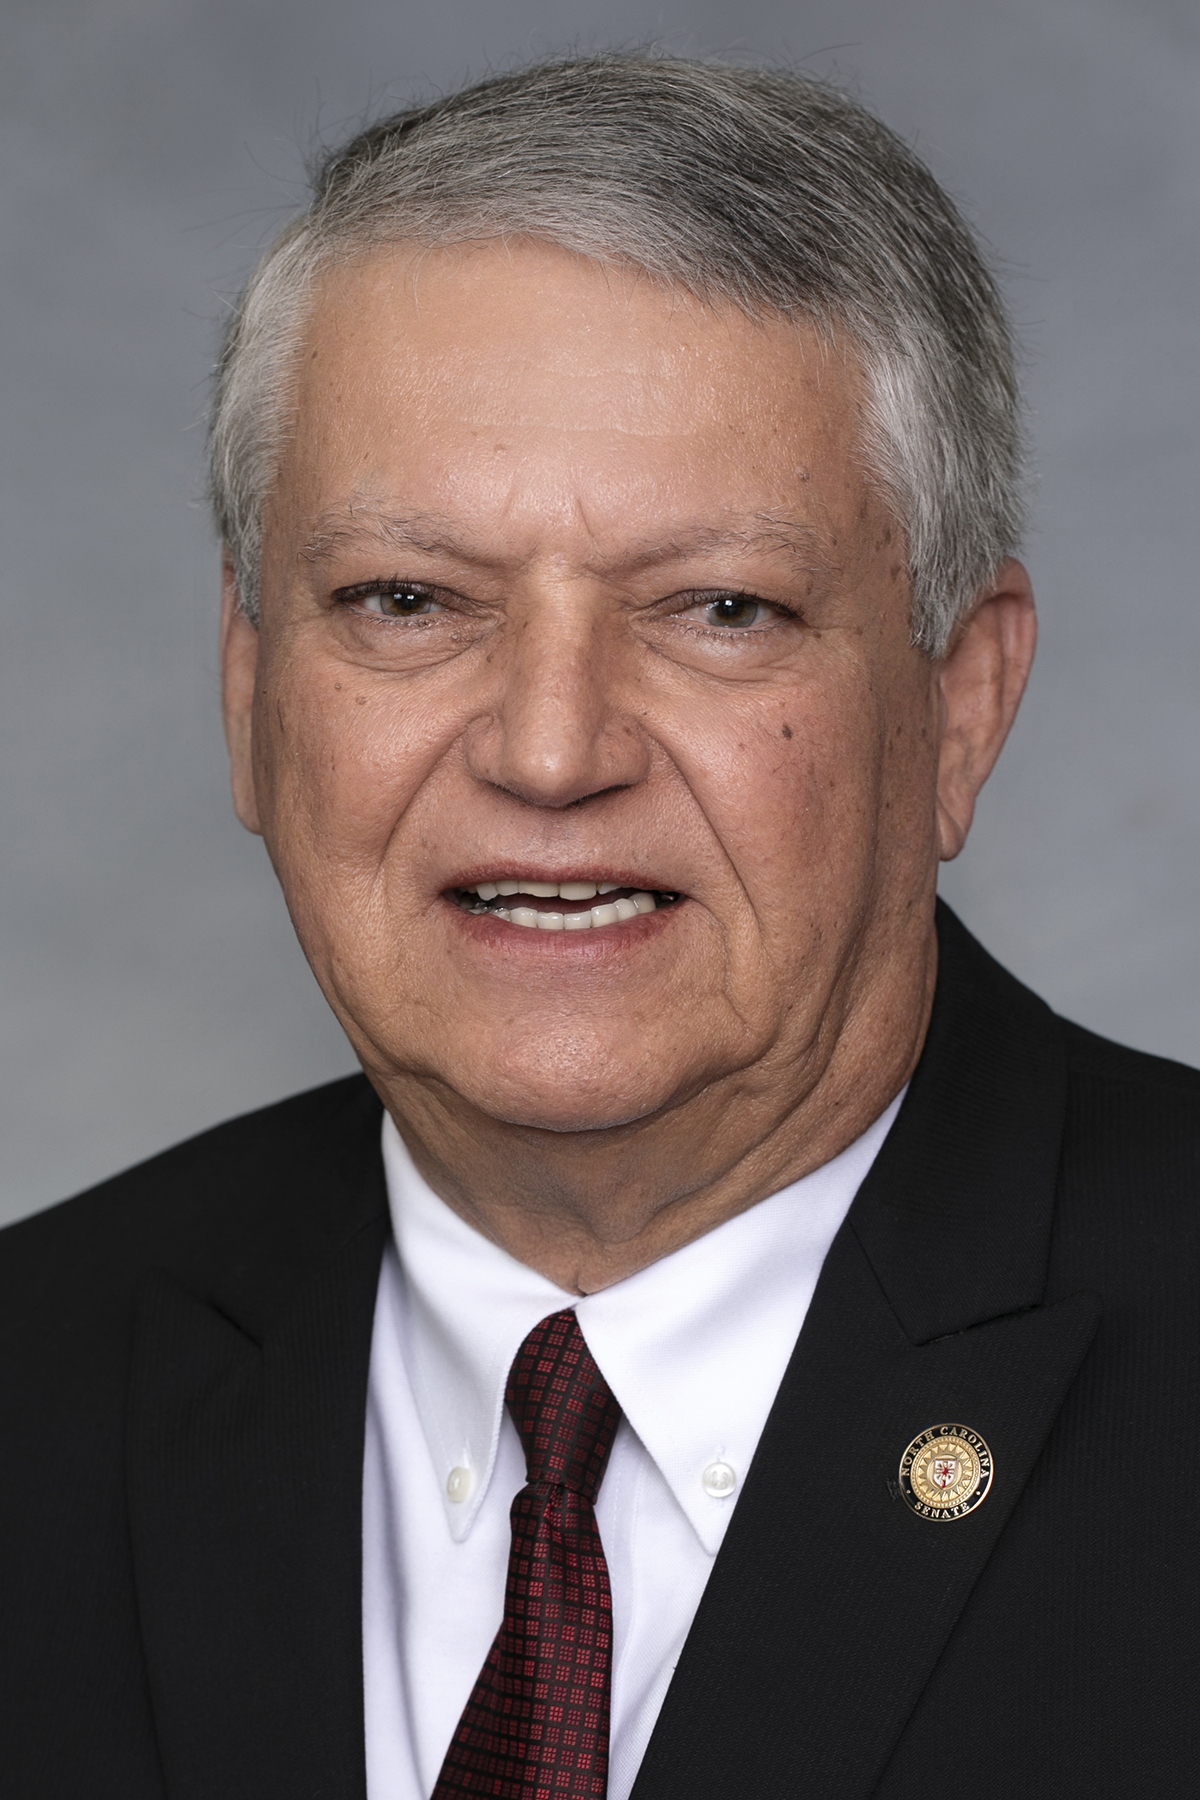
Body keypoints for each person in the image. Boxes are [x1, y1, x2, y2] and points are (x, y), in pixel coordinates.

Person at [1, 54, 1196, 1800]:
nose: (549, 752)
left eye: (720, 608)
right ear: (252, 693)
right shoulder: (33, 1379)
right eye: (406, 601)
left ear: (959, 709)